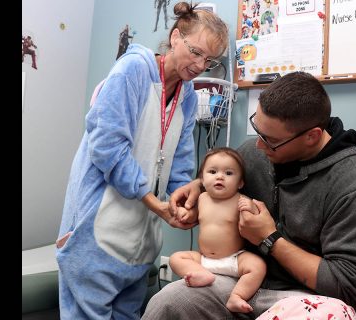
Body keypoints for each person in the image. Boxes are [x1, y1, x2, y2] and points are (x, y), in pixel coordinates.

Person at [142, 71, 356, 319]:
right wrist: (198, 186)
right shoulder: (256, 153)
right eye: (257, 129)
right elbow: (226, 176)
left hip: (304, 299)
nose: (258, 145)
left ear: (312, 136)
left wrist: (268, 238)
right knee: (169, 302)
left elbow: (348, 287)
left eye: (270, 140)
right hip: (236, 282)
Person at [55, 2, 228, 319]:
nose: (200, 65)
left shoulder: (187, 96)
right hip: (97, 231)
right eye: (195, 52)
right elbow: (108, 147)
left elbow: (179, 162)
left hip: (139, 241)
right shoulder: (132, 70)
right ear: (175, 37)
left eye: (210, 60)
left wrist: (180, 200)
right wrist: (153, 202)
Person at [170, 147, 266, 313]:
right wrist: (184, 213)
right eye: (213, 171)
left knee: (258, 266)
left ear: (240, 182)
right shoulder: (201, 198)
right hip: (204, 260)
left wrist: (251, 207)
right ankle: (200, 275)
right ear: (202, 179)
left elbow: (257, 219)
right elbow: (193, 216)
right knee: (176, 258)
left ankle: (237, 296)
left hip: (234, 259)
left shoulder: (241, 200)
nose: (220, 176)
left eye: (229, 173)